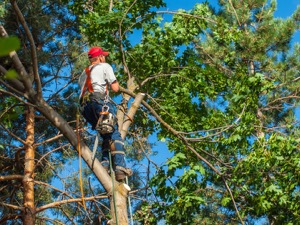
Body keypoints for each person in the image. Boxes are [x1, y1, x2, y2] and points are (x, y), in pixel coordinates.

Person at [78, 46, 132, 182]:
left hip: (85, 108)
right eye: (104, 56)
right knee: (115, 133)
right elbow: (116, 88)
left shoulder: (83, 74)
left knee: (106, 134)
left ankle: (105, 165)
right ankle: (120, 168)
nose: (105, 58)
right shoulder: (104, 66)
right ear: (100, 57)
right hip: (99, 102)